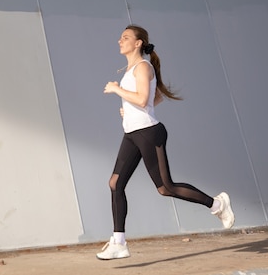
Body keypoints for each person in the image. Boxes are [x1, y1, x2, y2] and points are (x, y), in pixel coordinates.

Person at [96, 24, 234, 260]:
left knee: (165, 188)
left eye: (125, 37)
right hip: (132, 133)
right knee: (115, 183)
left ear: (138, 43)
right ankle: (119, 242)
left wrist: (119, 91)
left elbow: (141, 99)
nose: (120, 40)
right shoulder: (131, 69)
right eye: (120, 37)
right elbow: (152, 98)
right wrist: (130, 111)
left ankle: (217, 204)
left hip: (149, 133)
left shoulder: (142, 67)